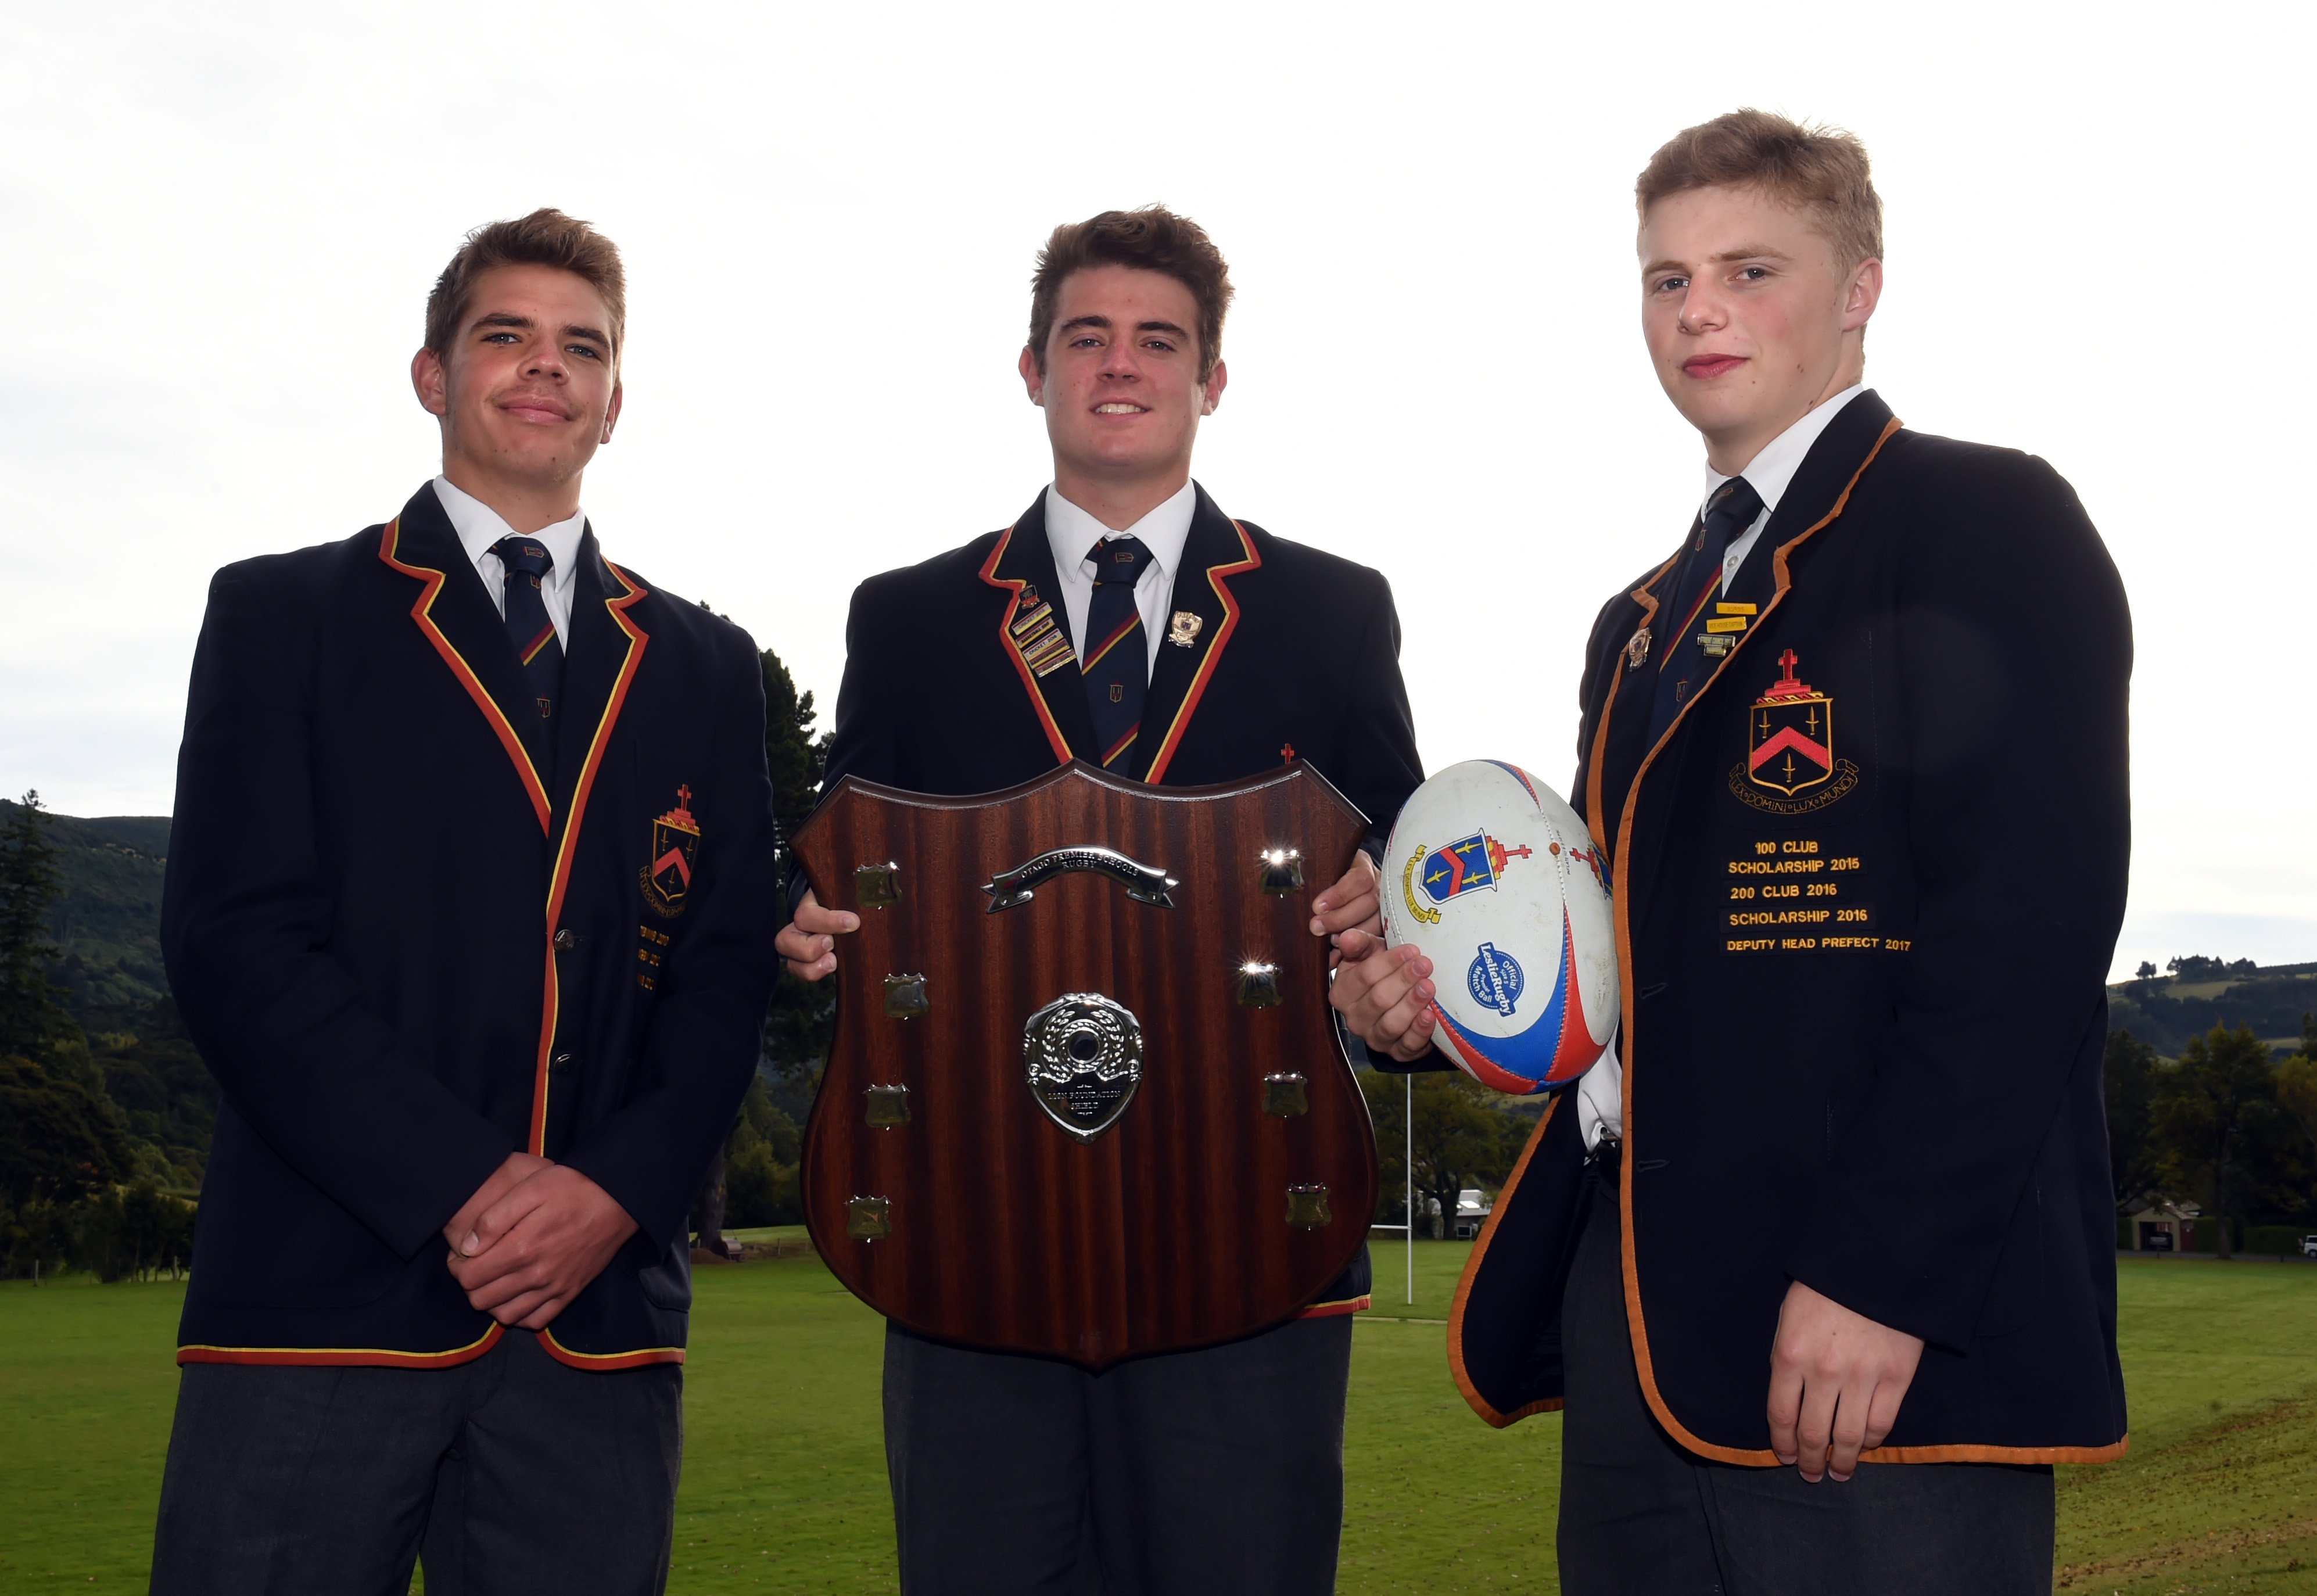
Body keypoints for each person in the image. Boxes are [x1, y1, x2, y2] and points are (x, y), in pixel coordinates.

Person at [1331, 110, 2131, 1594]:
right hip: (1635, 1322)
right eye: (1664, 279)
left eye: (1747, 268)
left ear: (1857, 287)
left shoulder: (1980, 518)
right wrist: (1429, 1015)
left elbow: (2023, 937)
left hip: (1860, 1333)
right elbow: (1619, 962)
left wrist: (1879, 1274)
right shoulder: (1636, 620)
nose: (1697, 310)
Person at [774, 205, 1423, 1594]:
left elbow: (1400, 900)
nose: (1118, 365)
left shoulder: (1330, 608)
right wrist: (806, 933)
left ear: (1210, 379)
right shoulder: (909, 616)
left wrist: (1390, 964)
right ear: (1031, 369)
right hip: (974, 1244)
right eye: (1086, 337)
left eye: (1157, 340)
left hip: (1252, 1241)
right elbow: (840, 875)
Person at [150, 209, 783, 1595]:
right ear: (433, 374)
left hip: (596, 1328)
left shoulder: (703, 666)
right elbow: (235, 944)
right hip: (321, 1306)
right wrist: (471, 1187)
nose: (543, 368)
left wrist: (612, 1196)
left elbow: (725, 976)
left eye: (582, 347)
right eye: (506, 335)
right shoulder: (281, 616)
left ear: (616, 403)